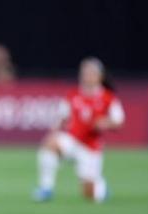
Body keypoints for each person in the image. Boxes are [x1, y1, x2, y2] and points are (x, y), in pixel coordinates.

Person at [33, 57, 124, 204]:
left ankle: (99, 185)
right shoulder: (73, 94)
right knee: (51, 143)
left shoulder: (108, 98)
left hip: (90, 148)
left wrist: (106, 123)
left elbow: (119, 121)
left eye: (91, 73)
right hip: (73, 141)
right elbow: (62, 117)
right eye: (84, 73)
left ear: (100, 76)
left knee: (90, 195)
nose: (87, 76)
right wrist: (54, 130)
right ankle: (46, 188)